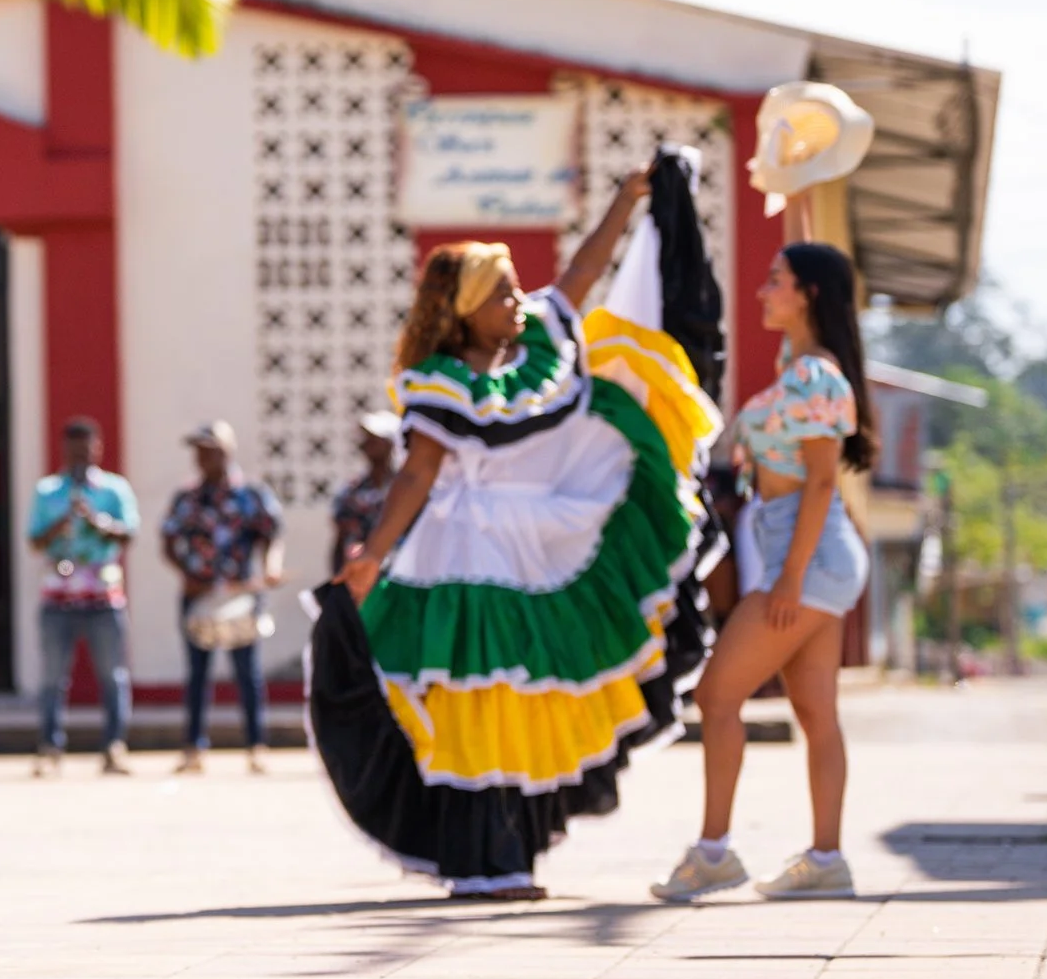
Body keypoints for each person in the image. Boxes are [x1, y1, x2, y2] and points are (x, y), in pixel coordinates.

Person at [325, 170, 704, 900]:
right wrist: (373, 555)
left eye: (513, 289)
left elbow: (581, 275)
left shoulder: (533, 362)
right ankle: (481, 864)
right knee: (481, 698)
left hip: (535, 550)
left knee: (527, 697)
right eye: (500, 293)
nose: (516, 302)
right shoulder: (438, 383)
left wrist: (625, 201)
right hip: (463, 556)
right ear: (467, 312)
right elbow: (416, 477)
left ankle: (510, 855)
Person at [652, 194, 874, 902]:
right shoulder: (801, 364)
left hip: (806, 555)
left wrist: (787, 581)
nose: (762, 289)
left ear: (806, 296)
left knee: (718, 696)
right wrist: (796, 185)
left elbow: (817, 486)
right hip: (807, 555)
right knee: (815, 715)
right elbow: (814, 261)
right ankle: (826, 858)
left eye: (776, 280)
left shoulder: (816, 378)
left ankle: (715, 851)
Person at [160, 423, 283, 775]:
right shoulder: (188, 497)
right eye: (197, 450)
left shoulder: (252, 493)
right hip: (198, 595)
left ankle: (256, 746)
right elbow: (169, 541)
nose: (200, 457)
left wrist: (270, 567)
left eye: (207, 449)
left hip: (241, 594)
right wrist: (187, 575)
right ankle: (193, 748)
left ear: (226, 452)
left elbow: (271, 534)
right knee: (198, 671)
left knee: (247, 672)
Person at [27, 416, 141, 777]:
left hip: (103, 597)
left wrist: (97, 522)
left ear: (98, 448)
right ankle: (50, 748)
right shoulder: (47, 491)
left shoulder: (114, 490)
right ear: (64, 450)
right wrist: (59, 524)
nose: (80, 455)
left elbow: (128, 535)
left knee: (113, 676)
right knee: (52, 679)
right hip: (58, 597)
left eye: (86, 448)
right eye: (73, 449)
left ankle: (113, 747)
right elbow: (33, 540)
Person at [329, 412, 402, 575]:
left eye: (374, 438)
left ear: (391, 443)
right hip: (361, 579)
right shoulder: (351, 491)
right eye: (366, 438)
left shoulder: (408, 490)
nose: (366, 443)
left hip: (400, 578)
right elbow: (340, 541)